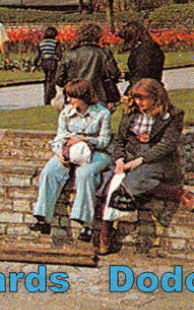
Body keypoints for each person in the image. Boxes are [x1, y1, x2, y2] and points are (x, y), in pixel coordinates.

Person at [30, 79, 115, 241]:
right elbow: (58, 138)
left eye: (72, 97)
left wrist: (85, 140)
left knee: (85, 174)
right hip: (70, 151)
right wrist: (60, 152)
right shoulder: (66, 114)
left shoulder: (102, 114)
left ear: (83, 97)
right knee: (50, 171)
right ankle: (43, 218)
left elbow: (105, 141)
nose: (69, 101)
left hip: (97, 153)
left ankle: (86, 225)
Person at [102, 78, 182, 217]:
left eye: (143, 98)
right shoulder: (131, 113)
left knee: (134, 182)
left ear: (156, 97)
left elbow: (166, 145)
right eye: (137, 98)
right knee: (105, 179)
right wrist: (120, 159)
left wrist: (141, 160)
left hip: (158, 159)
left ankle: (178, 193)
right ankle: (106, 230)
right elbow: (120, 141)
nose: (139, 102)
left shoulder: (173, 114)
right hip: (131, 155)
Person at [55, 23, 121, 109]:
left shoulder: (70, 55)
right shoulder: (104, 53)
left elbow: (59, 79)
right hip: (99, 95)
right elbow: (114, 74)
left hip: (76, 96)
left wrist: (71, 85)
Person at [120, 20, 165, 86]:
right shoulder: (152, 47)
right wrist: (126, 75)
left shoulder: (143, 51)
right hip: (154, 85)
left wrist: (128, 93)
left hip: (145, 88)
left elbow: (141, 74)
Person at [37, 26, 63, 106]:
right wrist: (61, 60)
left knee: (46, 78)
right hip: (52, 61)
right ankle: (50, 96)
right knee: (52, 79)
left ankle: (46, 95)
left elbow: (38, 54)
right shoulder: (55, 43)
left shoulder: (41, 43)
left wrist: (35, 63)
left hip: (44, 62)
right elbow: (58, 53)